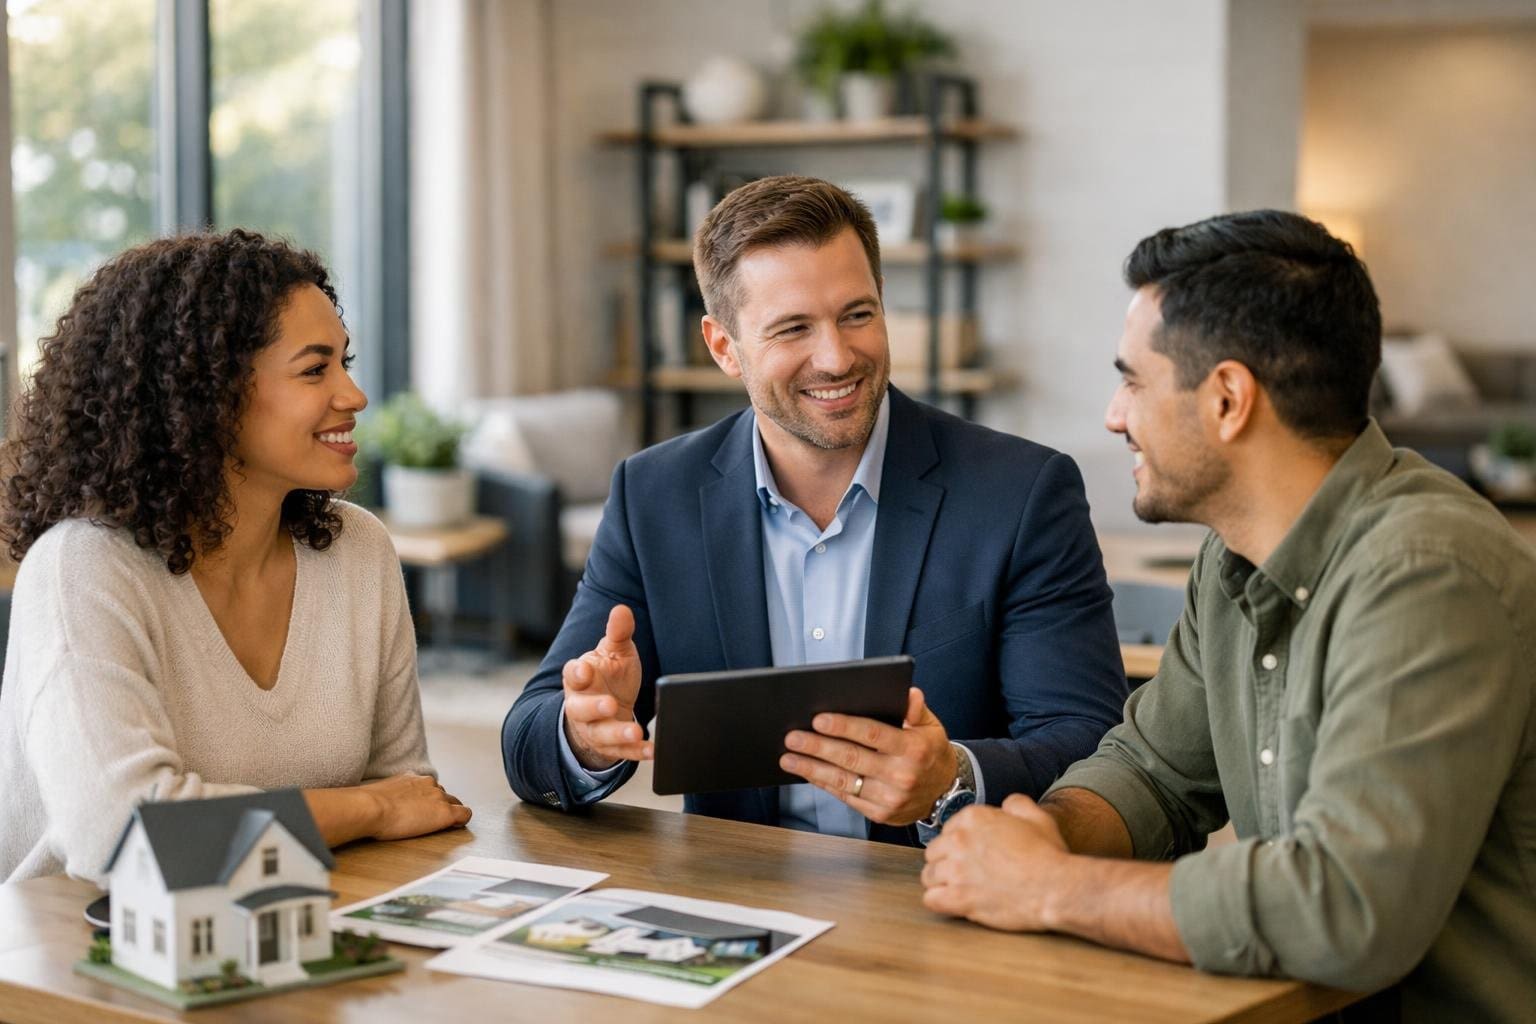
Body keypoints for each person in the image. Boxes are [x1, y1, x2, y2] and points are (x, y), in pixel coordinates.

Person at [920, 210, 1536, 1021]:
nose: (1115, 414)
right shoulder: (1233, 557)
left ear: (1228, 400)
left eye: (1133, 380)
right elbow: (1153, 772)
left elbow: (1345, 908)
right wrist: (1035, 835)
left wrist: (1053, 887)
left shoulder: (1425, 572)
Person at [503, 176, 1128, 844]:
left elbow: (1096, 750)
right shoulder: (655, 496)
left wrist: (954, 777)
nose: (837, 357)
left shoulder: (1023, 493)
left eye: (857, 314)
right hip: (741, 902)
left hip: (942, 898)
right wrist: (585, 732)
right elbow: (529, 738)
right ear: (722, 347)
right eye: (793, 328)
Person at [0, 230, 471, 884]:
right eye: (315, 369)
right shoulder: (82, 568)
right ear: (205, 393)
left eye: (345, 362)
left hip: (299, 928)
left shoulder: (359, 552)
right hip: (86, 957)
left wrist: (379, 810)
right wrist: (365, 809)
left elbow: (412, 797)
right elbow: (125, 836)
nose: (354, 396)